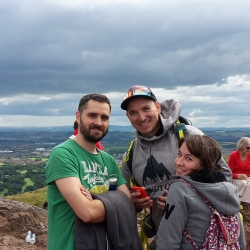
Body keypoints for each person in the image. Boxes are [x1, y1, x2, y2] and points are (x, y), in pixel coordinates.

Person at [120, 85, 232, 248]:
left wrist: (184, 201)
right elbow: (126, 199)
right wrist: (135, 203)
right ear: (127, 116)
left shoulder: (189, 135)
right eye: (133, 112)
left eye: (146, 108)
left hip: (203, 237)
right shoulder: (130, 155)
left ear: (157, 107)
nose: (141, 117)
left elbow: (225, 177)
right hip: (165, 237)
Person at [45, 94, 132, 250]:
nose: (98, 123)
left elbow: (128, 203)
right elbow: (87, 212)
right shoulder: (63, 154)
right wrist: (115, 202)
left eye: (104, 117)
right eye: (92, 115)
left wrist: (95, 201)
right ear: (78, 116)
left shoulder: (109, 161)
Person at [155, 134, 245, 249]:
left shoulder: (179, 188)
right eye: (179, 154)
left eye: (188, 158)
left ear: (205, 163)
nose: (178, 162)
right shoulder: (229, 190)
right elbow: (239, 239)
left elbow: (167, 241)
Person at [228, 137, 250, 204]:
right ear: (242, 146)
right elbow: (229, 173)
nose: (249, 150)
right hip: (236, 179)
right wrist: (237, 176)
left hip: (248, 178)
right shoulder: (233, 155)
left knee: (249, 185)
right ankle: (241, 203)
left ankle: (244, 204)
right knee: (244, 183)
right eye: (248, 148)